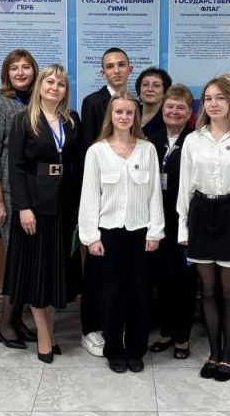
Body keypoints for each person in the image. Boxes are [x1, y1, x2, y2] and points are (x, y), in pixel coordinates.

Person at [177, 76, 230, 382]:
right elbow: (185, 187)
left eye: (220, 98)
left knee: (229, 291)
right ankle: (213, 353)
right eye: (208, 98)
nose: (213, 104)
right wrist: (183, 227)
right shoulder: (193, 140)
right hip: (201, 212)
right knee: (208, 290)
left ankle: (229, 355)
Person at [79, 93, 164, 373]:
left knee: (140, 294)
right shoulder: (97, 151)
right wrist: (91, 236)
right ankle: (114, 350)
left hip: (141, 232)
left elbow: (154, 194)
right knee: (111, 295)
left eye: (129, 112)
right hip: (108, 233)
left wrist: (155, 232)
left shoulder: (147, 150)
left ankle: (136, 350)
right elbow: (89, 196)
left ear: (135, 116)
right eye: (119, 112)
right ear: (111, 116)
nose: (124, 117)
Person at [4, 64, 82, 363]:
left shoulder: (71, 120)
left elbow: (77, 163)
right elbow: (15, 167)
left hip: (64, 207)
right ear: (40, 86)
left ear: (65, 91)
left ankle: (48, 331)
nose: (54, 87)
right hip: (34, 207)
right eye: (50, 82)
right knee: (37, 274)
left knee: (54, 273)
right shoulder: (24, 119)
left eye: (60, 84)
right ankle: (44, 338)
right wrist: (23, 207)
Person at [78, 46, 134, 356]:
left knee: (121, 273)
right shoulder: (93, 102)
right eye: (110, 66)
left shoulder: (134, 103)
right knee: (96, 270)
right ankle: (91, 328)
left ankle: (118, 324)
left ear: (129, 69)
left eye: (121, 65)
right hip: (102, 196)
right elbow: (90, 150)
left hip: (129, 201)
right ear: (103, 72)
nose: (116, 70)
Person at [0, 49, 39, 348]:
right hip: (8, 194)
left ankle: (17, 321)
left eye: (26, 67)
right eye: (14, 68)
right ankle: (5, 325)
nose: (20, 72)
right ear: (6, 73)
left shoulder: (39, 102)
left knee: (28, 262)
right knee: (16, 261)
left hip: (35, 194)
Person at [148, 84, 196, 360]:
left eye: (181, 107)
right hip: (156, 220)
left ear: (189, 112)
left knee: (184, 281)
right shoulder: (150, 141)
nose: (174, 111)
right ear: (162, 109)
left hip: (185, 221)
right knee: (161, 278)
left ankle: (182, 337)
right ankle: (166, 332)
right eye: (170, 106)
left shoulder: (195, 141)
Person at [136, 66, 172, 138]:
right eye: (145, 85)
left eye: (156, 85)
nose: (150, 89)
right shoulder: (132, 113)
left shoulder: (170, 118)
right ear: (139, 89)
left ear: (165, 91)